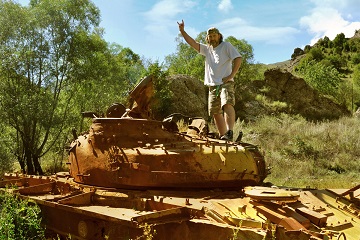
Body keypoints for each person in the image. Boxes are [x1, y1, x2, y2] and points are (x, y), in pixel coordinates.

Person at [177, 20, 242, 141]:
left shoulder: (226, 46)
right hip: (212, 86)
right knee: (215, 111)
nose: (212, 38)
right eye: (210, 36)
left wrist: (231, 75)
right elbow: (192, 43)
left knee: (227, 103)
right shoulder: (207, 49)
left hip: (225, 83)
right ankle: (224, 137)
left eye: (214, 35)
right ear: (207, 38)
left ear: (219, 36)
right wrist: (182, 31)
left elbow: (238, 58)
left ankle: (230, 131)